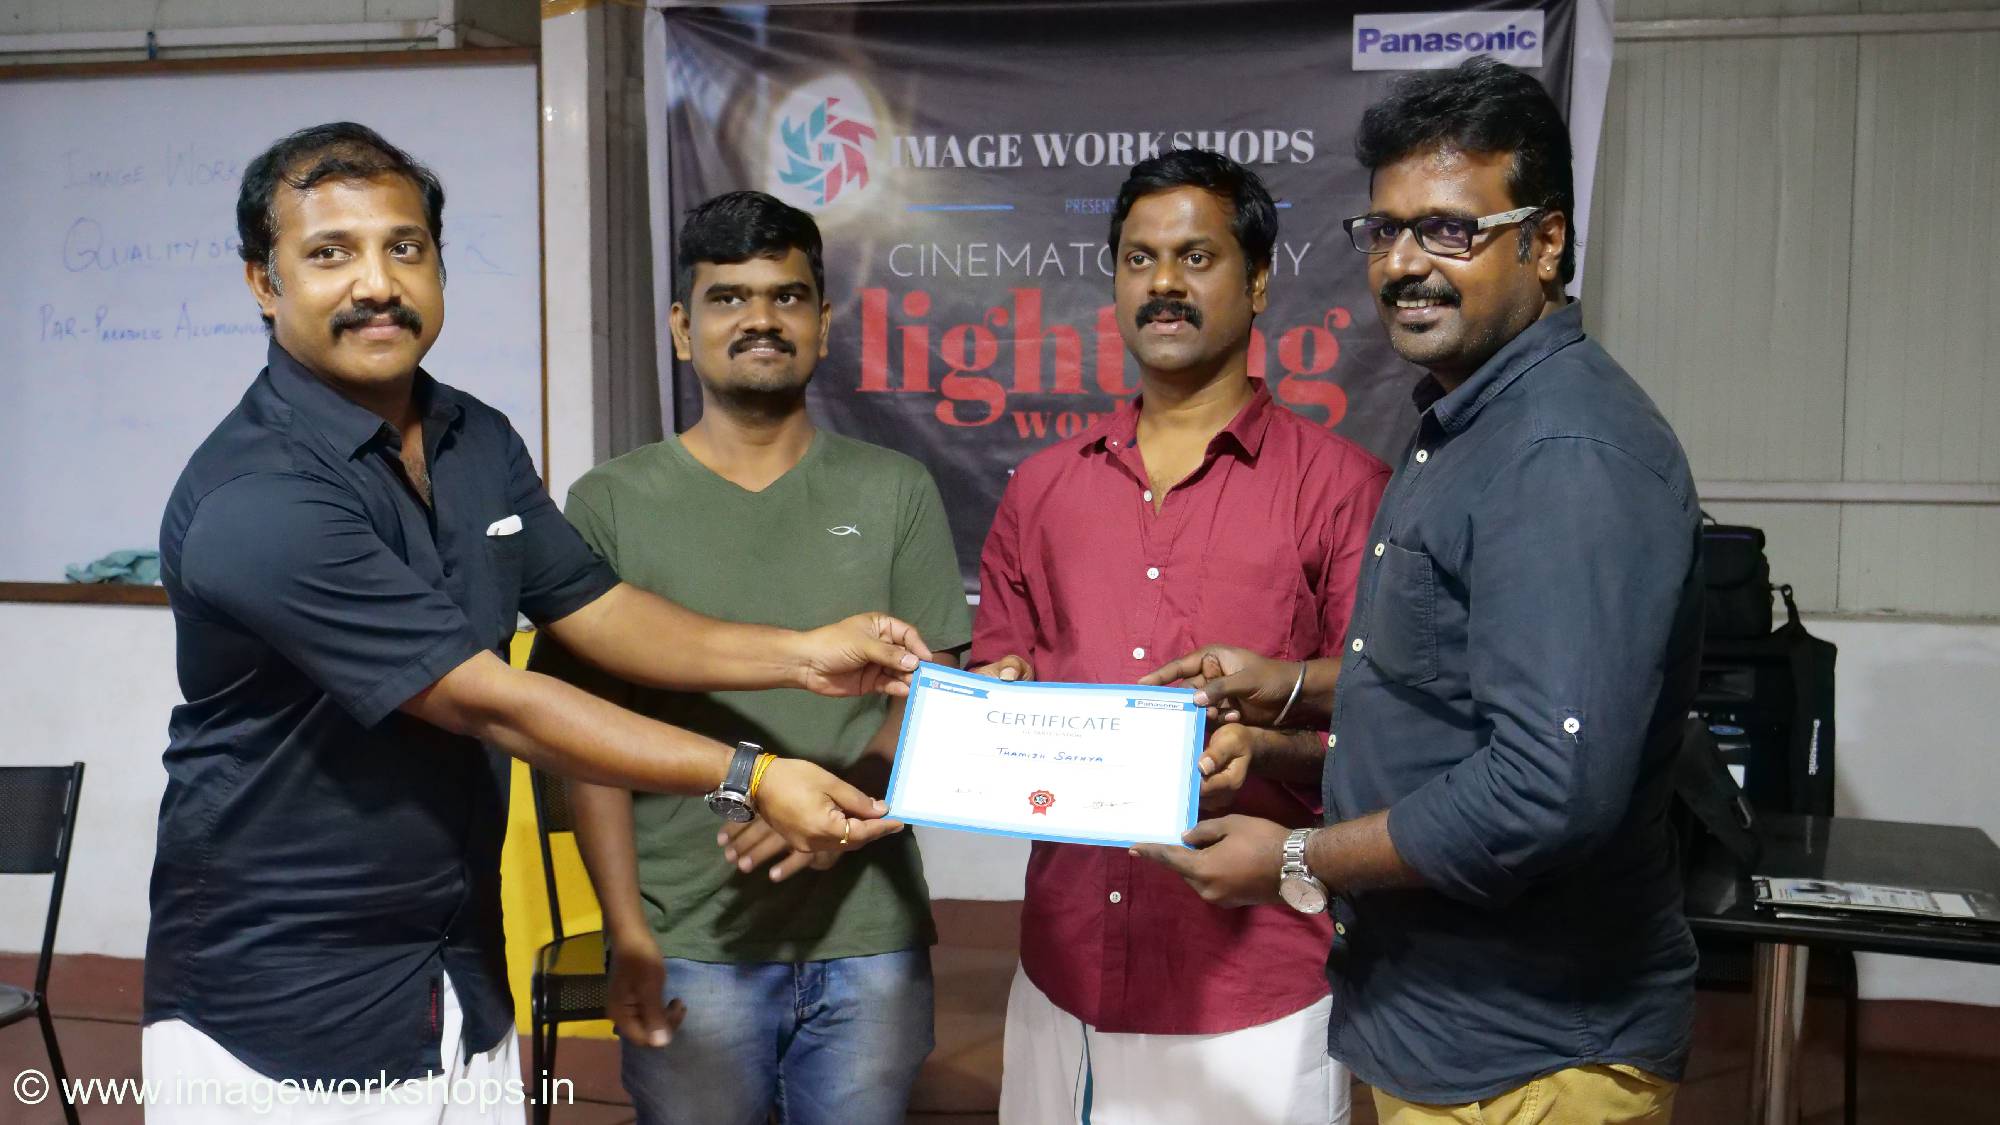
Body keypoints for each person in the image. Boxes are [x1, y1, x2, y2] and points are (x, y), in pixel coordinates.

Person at [143, 125, 929, 1124]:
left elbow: (600, 609)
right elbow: (490, 702)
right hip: (282, 999)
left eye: (405, 247)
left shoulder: (474, 437)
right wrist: (755, 775)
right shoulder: (259, 496)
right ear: (265, 281)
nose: (377, 284)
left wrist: (802, 655)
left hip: (457, 973)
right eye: (330, 253)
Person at [1136, 58, 1702, 1125]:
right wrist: (1285, 700)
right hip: (1444, 1028)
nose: (1404, 264)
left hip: (1530, 1054)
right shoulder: (1469, 423)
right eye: (1385, 231)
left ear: (1544, 241)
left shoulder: (1563, 455)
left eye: (1449, 230)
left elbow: (1544, 787)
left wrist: (1295, 855)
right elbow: (1451, 698)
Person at [530, 190, 972, 1125]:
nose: (760, 318)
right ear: (681, 329)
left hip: (868, 930)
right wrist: (627, 930)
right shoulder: (610, 500)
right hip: (691, 935)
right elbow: (587, 742)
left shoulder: (895, 489)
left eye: (787, 296)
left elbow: (934, 703)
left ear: (823, 323)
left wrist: (828, 803)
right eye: (728, 297)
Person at [971, 149, 1389, 1125]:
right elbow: (1001, 676)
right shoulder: (1042, 489)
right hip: (1062, 975)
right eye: (1139, 259)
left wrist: (1266, 749)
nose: (1163, 282)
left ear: (1256, 282)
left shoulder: (1340, 488)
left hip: (1254, 989)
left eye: (1196, 257)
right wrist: (992, 708)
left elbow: (1387, 726)